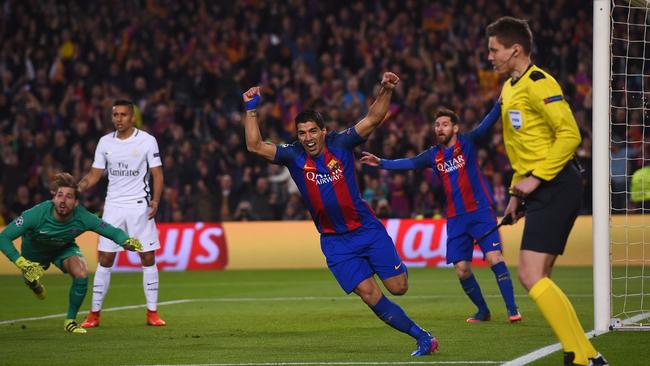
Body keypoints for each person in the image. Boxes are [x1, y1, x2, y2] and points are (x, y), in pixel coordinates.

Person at [242, 73, 438, 356]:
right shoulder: (293, 155)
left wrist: (386, 89)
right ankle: (422, 337)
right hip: (336, 242)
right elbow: (255, 145)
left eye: (312, 131)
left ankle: (390, 267)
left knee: (399, 287)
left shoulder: (341, 143)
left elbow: (372, 119)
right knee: (370, 295)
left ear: (323, 131)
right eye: (301, 133)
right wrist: (251, 109)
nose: (307, 138)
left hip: (366, 230)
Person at [486, 16, 607, 366]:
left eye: (494, 49)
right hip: (539, 188)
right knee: (540, 278)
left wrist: (535, 181)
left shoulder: (539, 82)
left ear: (515, 49)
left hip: (557, 184)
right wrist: (515, 195)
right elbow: (521, 150)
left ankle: (581, 357)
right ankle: (585, 354)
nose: (489, 56)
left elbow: (570, 135)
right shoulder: (509, 88)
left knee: (529, 274)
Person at [361, 105, 522, 323]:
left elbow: (486, 125)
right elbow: (409, 163)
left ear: (455, 128)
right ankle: (483, 311)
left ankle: (512, 310)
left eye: (445, 124)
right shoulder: (433, 155)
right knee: (462, 270)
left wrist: (500, 104)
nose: (440, 128)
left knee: (494, 258)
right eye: (437, 125)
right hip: (456, 218)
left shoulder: (468, 142)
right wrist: (381, 163)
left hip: (480, 212)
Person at [0, 173, 143, 333]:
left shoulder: (83, 217)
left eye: (69, 197)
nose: (63, 200)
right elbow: (3, 237)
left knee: (81, 273)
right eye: (60, 195)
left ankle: (70, 321)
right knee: (31, 280)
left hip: (63, 249)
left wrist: (126, 241)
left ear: (75, 203)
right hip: (34, 256)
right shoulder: (35, 214)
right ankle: (35, 286)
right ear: (54, 198)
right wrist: (21, 263)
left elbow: (112, 231)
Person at [78, 99, 166, 328]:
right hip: (113, 208)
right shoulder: (105, 142)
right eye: (115, 115)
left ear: (132, 117)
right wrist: (77, 188)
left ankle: (152, 313)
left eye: (123, 115)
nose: (118, 119)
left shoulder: (147, 141)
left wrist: (155, 200)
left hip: (139, 207)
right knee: (105, 259)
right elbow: (94, 175)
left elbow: (157, 174)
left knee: (147, 258)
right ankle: (94, 315)